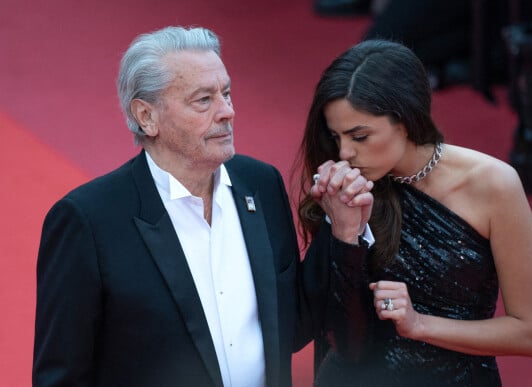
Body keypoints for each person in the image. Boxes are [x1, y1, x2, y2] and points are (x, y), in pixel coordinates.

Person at [32, 25, 373, 387]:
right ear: (147, 116)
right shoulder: (88, 220)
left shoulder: (261, 185)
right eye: (204, 100)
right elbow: (61, 376)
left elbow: (290, 326)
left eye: (226, 93)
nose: (227, 111)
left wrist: (343, 231)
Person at [295, 39, 532, 386]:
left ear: (407, 119)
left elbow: (531, 333)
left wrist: (419, 325)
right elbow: (343, 342)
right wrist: (344, 234)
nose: (344, 152)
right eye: (336, 136)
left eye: (360, 136)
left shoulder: (493, 185)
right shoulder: (345, 190)